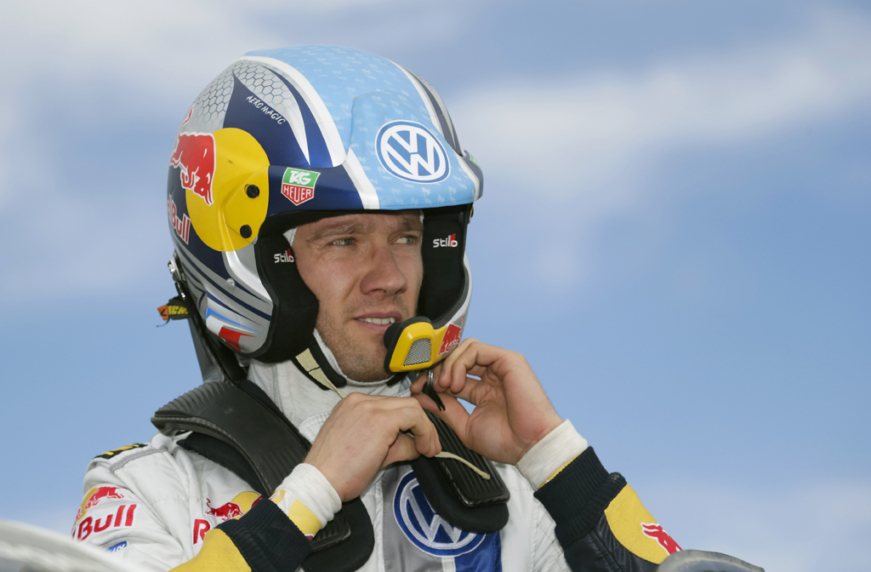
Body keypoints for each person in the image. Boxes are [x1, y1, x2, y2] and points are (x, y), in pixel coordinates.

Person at [73, 46, 759, 572]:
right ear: (253, 260)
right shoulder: (151, 490)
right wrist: (305, 500)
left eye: (407, 237)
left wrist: (557, 462)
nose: (390, 277)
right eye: (343, 240)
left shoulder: (509, 486)